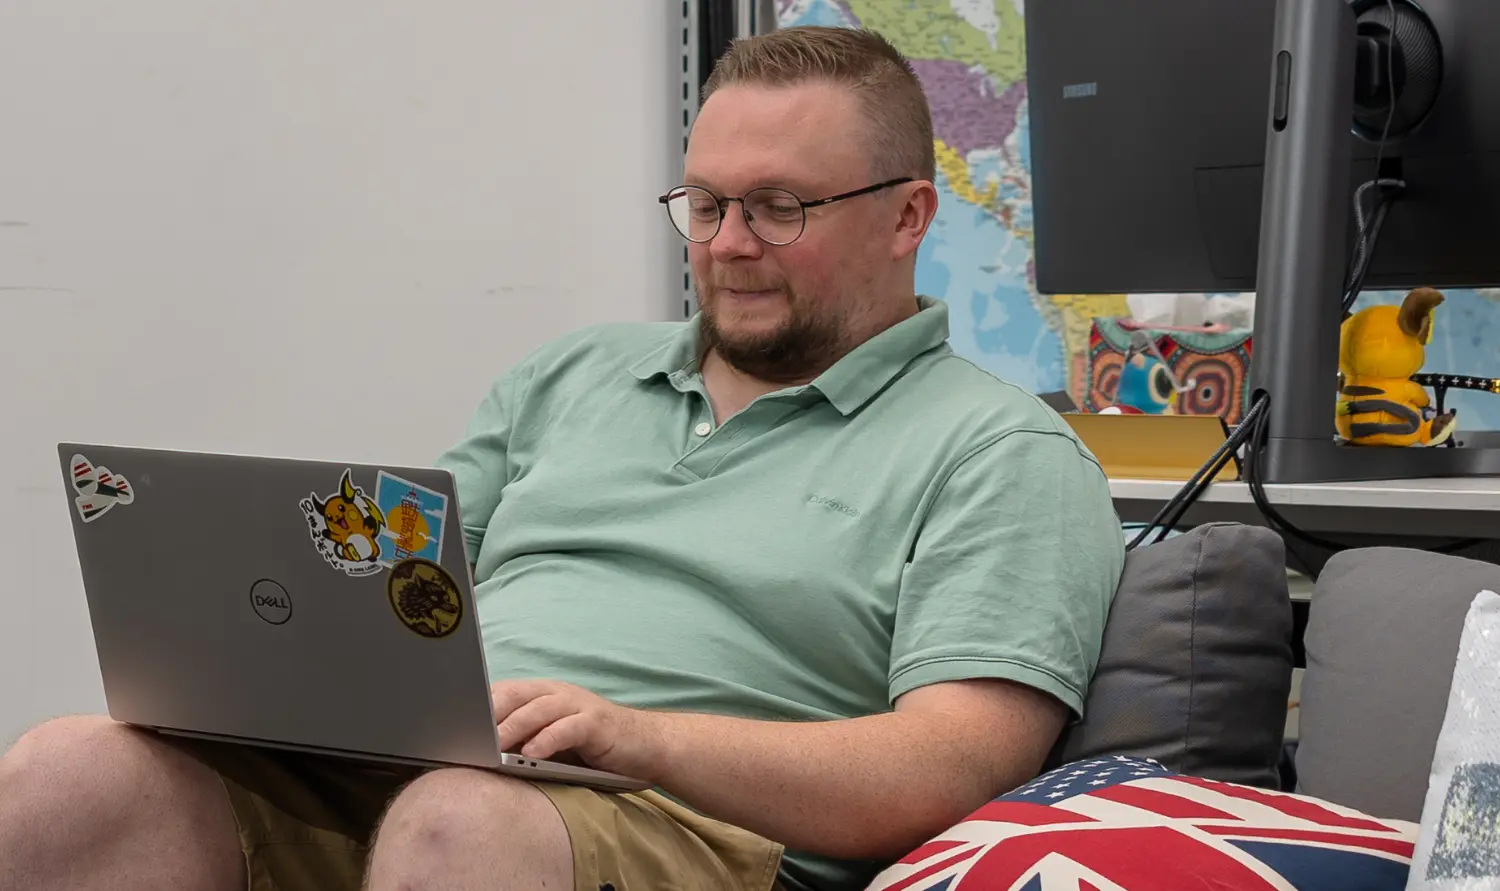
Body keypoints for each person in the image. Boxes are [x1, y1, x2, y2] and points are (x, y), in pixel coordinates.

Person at [0, 25, 1125, 891]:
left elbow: (952, 767)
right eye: (707, 204)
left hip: (687, 828)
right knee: (67, 770)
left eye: (780, 208)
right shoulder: (573, 374)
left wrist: (639, 738)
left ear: (908, 215)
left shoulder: (999, 451)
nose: (729, 245)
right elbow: (403, 585)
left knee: (460, 823)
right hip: (434, 778)